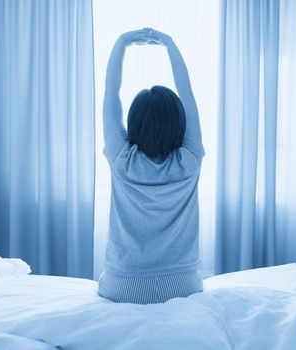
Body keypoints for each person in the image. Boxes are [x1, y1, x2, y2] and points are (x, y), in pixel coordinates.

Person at [98, 28, 204, 304]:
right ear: (178, 122)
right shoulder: (189, 160)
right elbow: (187, 93)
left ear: (134, 123)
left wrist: (122, 42)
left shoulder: (122, 159)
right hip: (183, 283)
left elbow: (111, 92)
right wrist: (169, 43)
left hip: (124, 283)